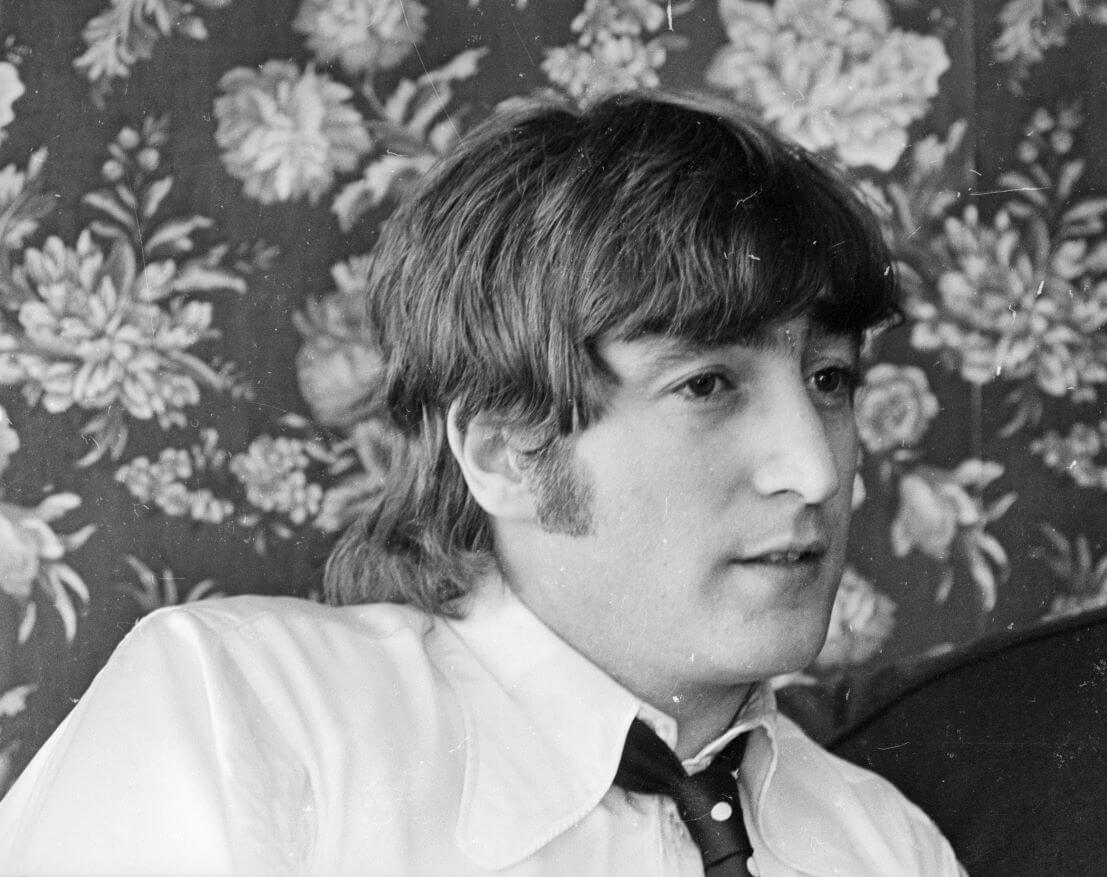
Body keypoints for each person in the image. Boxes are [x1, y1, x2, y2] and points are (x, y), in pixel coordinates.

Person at [0, 91, 964, 875]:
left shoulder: (886, 848)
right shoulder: (247, 716)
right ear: (507, 453)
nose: (815, 467)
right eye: (707, 383)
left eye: (830, 379)